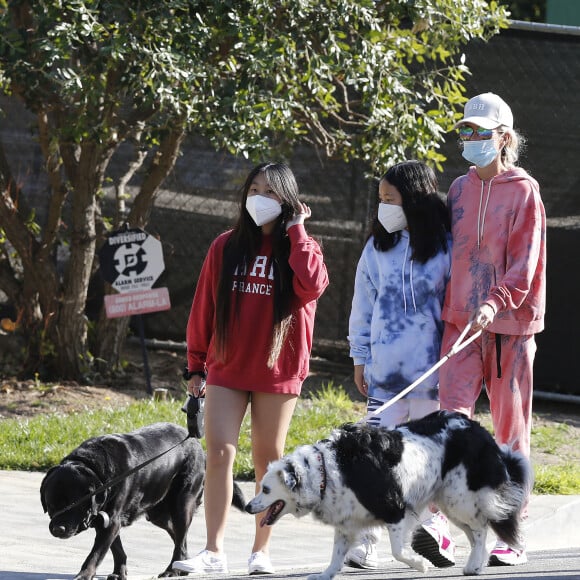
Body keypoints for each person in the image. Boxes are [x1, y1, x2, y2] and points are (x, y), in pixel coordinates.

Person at [172, 162, 329, 576]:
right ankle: (213, 551)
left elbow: (313, 284)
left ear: (289, 200)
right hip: (226, 366)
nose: (260, 197)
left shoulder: (303, 248)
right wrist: (195, 363)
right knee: (219, 453)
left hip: (278, 371)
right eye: (254, 188)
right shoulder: (224, 246)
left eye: (272, 192)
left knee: (268, 460)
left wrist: (297, 230)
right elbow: (203, 305)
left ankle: (261, 551)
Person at [412, 92, 546, 568]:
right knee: (449, 422)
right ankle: (438, 526)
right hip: (459, 327)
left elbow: (524, 265)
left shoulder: (524, 191)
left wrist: (494, 303)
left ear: (504, 137)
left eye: (479, 132)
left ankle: (512, 532)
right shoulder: (458, 189)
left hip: (509, 328)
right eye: (464, 131)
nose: (469, 139)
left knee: (511, 431)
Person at [346, 160, 452, 569]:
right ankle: (367, 541)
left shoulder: (446, 245)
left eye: (391, 200)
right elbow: (363, 304)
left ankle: (432, 532)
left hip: (432, 376)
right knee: (378, 456)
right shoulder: (376, 247)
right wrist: (360, 356)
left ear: (416, 199)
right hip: (385, 376)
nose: (383, 208)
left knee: (426, 458)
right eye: (380, 200)